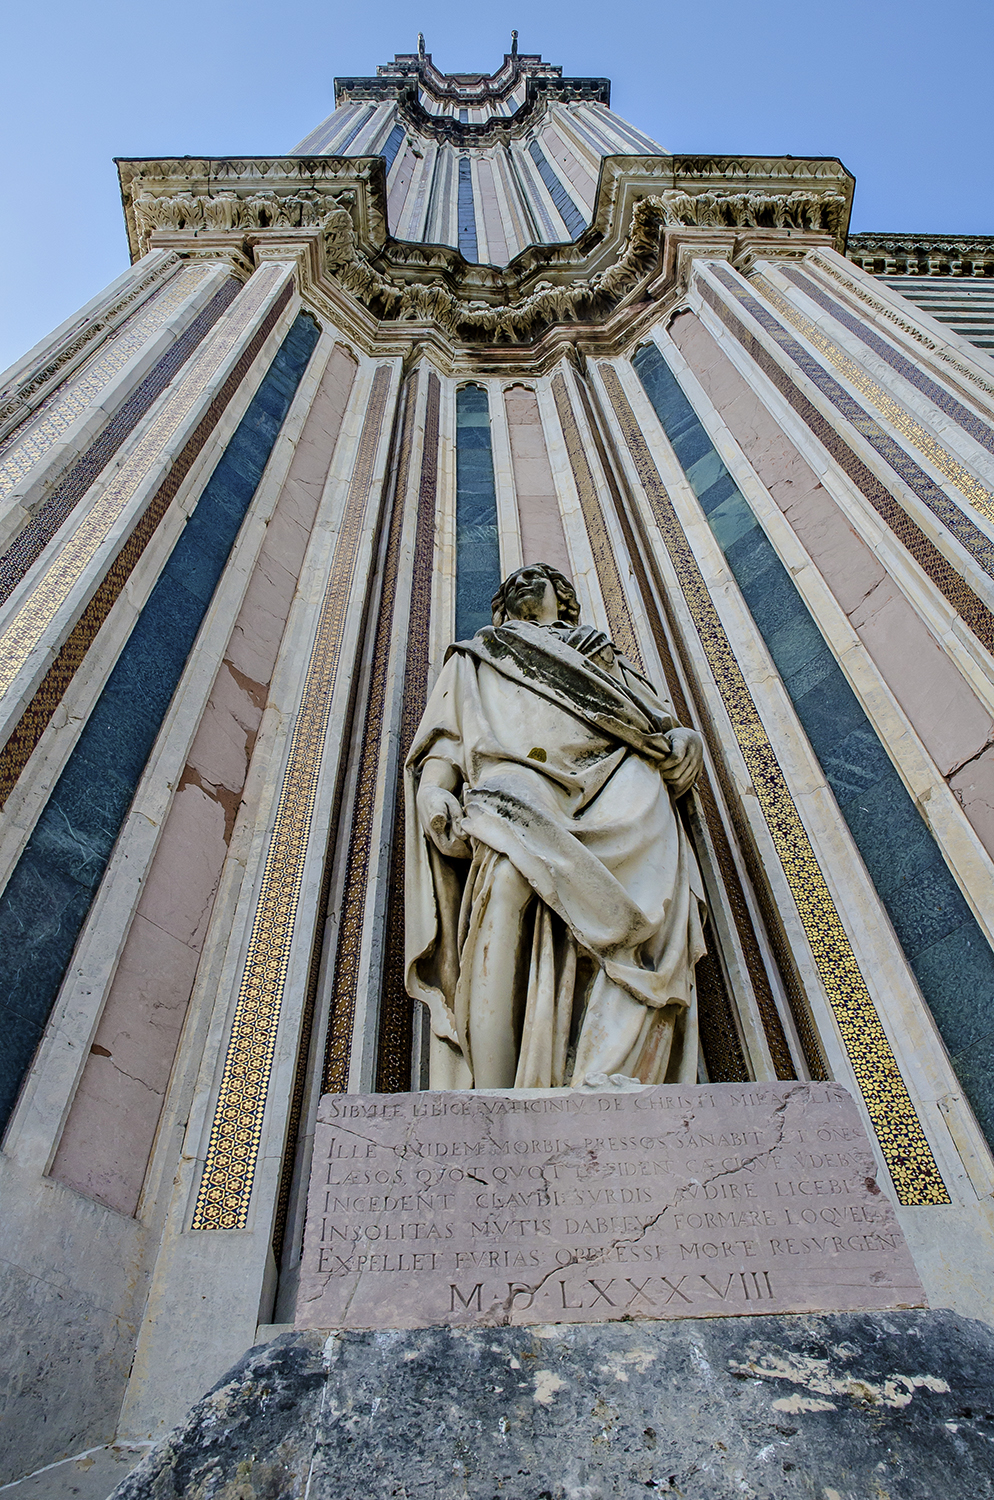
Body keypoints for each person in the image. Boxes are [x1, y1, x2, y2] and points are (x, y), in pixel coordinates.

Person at [404, 563, 707, 1090]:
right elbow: (447, 736)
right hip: (518, 774)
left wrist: (686, 740)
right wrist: (434, 788)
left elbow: (656, 721)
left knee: (644, 915)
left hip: (621, 776)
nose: (522, 583)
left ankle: (607, 1069)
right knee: (504, 882)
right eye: (512, 584)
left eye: (536, 577)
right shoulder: (480, 654)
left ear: (562, 597)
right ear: (502, 608)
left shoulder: (600, 652)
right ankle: (494, 1095)